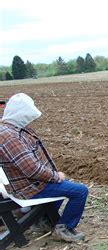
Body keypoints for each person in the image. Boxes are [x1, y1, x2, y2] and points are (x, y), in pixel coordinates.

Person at [0, 93, 88, 242]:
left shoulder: (11, 129)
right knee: (80, 191)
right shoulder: (10, 137)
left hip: (28, 184)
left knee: (63, 186)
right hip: (29, 187)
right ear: (20, 114)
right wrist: (55, 176)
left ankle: (44, 220)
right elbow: (32, 169)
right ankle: (64, 228)